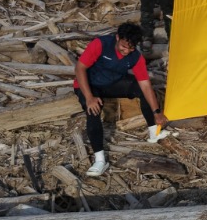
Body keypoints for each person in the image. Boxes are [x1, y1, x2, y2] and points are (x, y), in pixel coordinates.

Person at [72, 22, 172, 177]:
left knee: (141, 89)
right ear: (117, 37)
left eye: (131, 48)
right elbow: (80, 68)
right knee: (93, 111)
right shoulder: (100, 44)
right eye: (123, 46)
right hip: (89, 84)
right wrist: (89, 97)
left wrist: (157, 112)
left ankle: (154, 132)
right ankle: (100, 160)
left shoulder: (135, 57)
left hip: (111, 84)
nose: (126, 51)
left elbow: (145, 85)